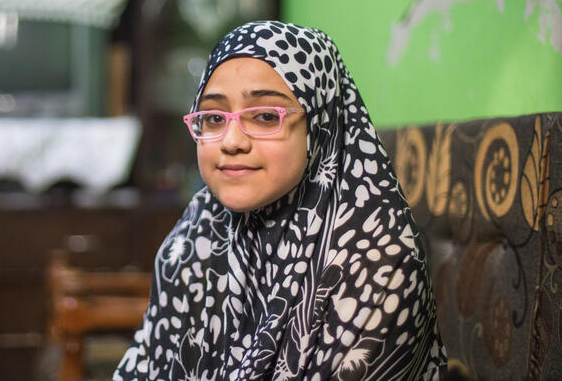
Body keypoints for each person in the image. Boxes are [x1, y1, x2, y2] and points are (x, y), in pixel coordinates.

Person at [114, 21, 446, 380]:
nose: (231, 141)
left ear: (319, 124)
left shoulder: (379, 266)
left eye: (266, 116)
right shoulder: (199, 230)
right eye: (213, 117)